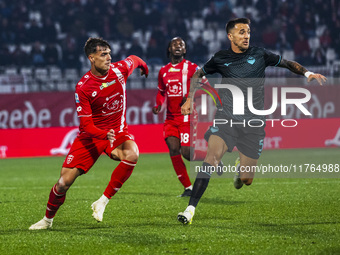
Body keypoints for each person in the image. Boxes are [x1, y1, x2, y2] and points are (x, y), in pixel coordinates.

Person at [177, 18, 327, 224]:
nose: (246, 35)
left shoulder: (260, 54)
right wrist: (190, 98)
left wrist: (307, 73)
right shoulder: (220, 58)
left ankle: (241, 168)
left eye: (248, 32)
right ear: (230, 36)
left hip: (253, 123)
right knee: (211, 159)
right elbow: (198, 74)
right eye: (241, 32)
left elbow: (287, 63)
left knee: (246, 180)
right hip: (227, 119)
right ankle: (190, 210)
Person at [29, 37, 149, 230]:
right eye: (103, 54)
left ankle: (102, 201)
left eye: (109, 53)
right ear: (91, 58)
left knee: (132, 154)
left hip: (117, 132)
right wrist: (103, 135)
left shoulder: (120, 70)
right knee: (62, 183)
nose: (109, 57)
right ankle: (47, 220)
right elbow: (86, 126)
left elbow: (134, 58)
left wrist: (144, 67)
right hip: (91, 137)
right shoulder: (83, 87)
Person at [152, 37, 208, 197]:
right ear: (169, 49)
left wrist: (190, 96)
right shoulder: (163, 71)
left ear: (184, 50)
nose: (178, 46)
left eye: (181, 45)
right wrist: (158, 104)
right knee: (173, 148)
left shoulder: (192, 68)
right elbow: (161, 92)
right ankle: (188, 187)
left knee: (187, 153)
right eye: (174, 44)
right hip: (170, 118)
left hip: (186, 116)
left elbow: (206, 87)